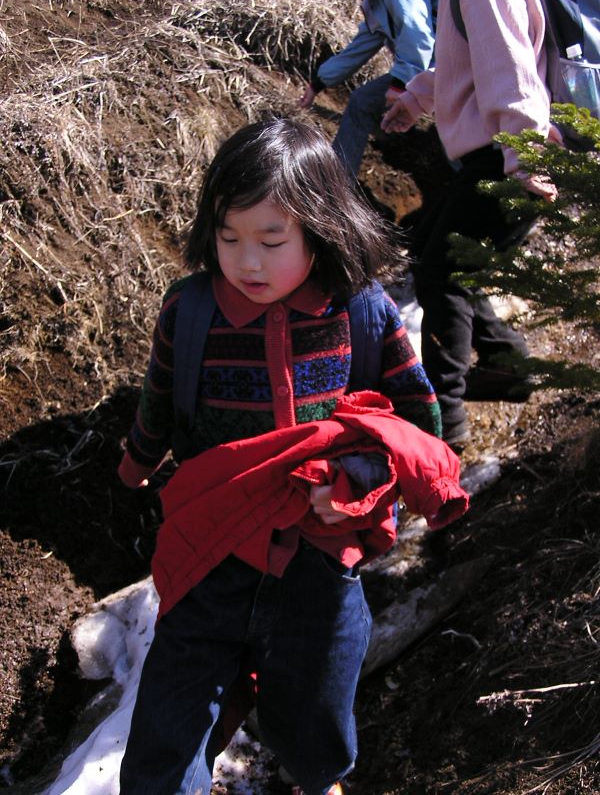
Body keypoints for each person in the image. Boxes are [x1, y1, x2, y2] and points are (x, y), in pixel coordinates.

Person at [116, 118, 464, 795]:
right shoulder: (190, 314)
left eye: (272, 241)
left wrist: (355, 484)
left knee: (315, 713)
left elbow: (417, 426)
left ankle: (319, 780)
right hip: (213, 557)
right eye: (228, 238)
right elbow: (158, 399)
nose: (248, 262)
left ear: (320, 230)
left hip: (319, 565)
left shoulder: (360, 315)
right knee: (166, 736)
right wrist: (134, 464)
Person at [381, 0, 561, 449]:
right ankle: (507, 365)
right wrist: (419, 98)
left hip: (507, 156)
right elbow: (476, 60)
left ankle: (443, 415)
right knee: (437, 256)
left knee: (443, 275)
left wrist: (526, 157)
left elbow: (509, 65)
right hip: (506, 153)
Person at [299, 0, 438, 177]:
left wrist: (400, 84)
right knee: (363, 101)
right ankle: (337, 183)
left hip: (446, 73)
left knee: (362, 103)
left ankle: (336, 184)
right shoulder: (378, 2)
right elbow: (362, 45)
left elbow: (418, 34)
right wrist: (318, 83)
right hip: (435, 72)